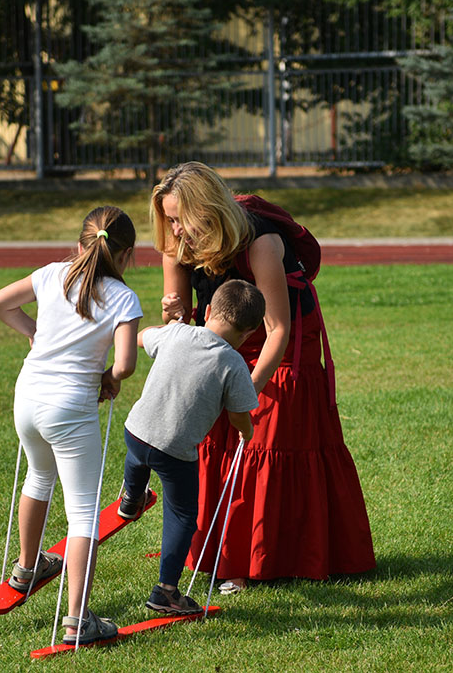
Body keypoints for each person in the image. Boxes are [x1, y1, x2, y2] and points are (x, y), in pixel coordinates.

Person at [151, 161, 376, 592]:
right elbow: (177, 326)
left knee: (268, 438)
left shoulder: (260, 240)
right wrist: (174, 317)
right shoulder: (177, 244)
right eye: (169, 220)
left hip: (283, 348)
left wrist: (244, 392)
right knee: (217, 443)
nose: (175, 230)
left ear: (207, 211)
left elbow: (279, 329)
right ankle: (225, 555)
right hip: (222, 340)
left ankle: (271, 558)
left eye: (180, 219)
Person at [0, 206, 142, 645]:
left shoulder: (53, 273)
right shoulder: (124, 299)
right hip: (70, 407)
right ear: (127, 254)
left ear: (80, 244)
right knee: (84, 513)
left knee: (38, 477)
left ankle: (26, 565)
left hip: (28, 397)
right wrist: (109, 379)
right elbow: (127, 364)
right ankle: (77, 620)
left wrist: (34, 331)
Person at [118, 279, 264, 614]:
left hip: (136, 430)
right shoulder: (233, 363)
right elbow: (239, 413)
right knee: (184, 514)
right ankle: (166, 591)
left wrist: (170, 324)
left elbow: (141, 339)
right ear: (248, 334)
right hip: (176, 450)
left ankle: (131, 497)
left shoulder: (178, 333)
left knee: (138, 458)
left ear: (209, 310)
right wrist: (247, 432)